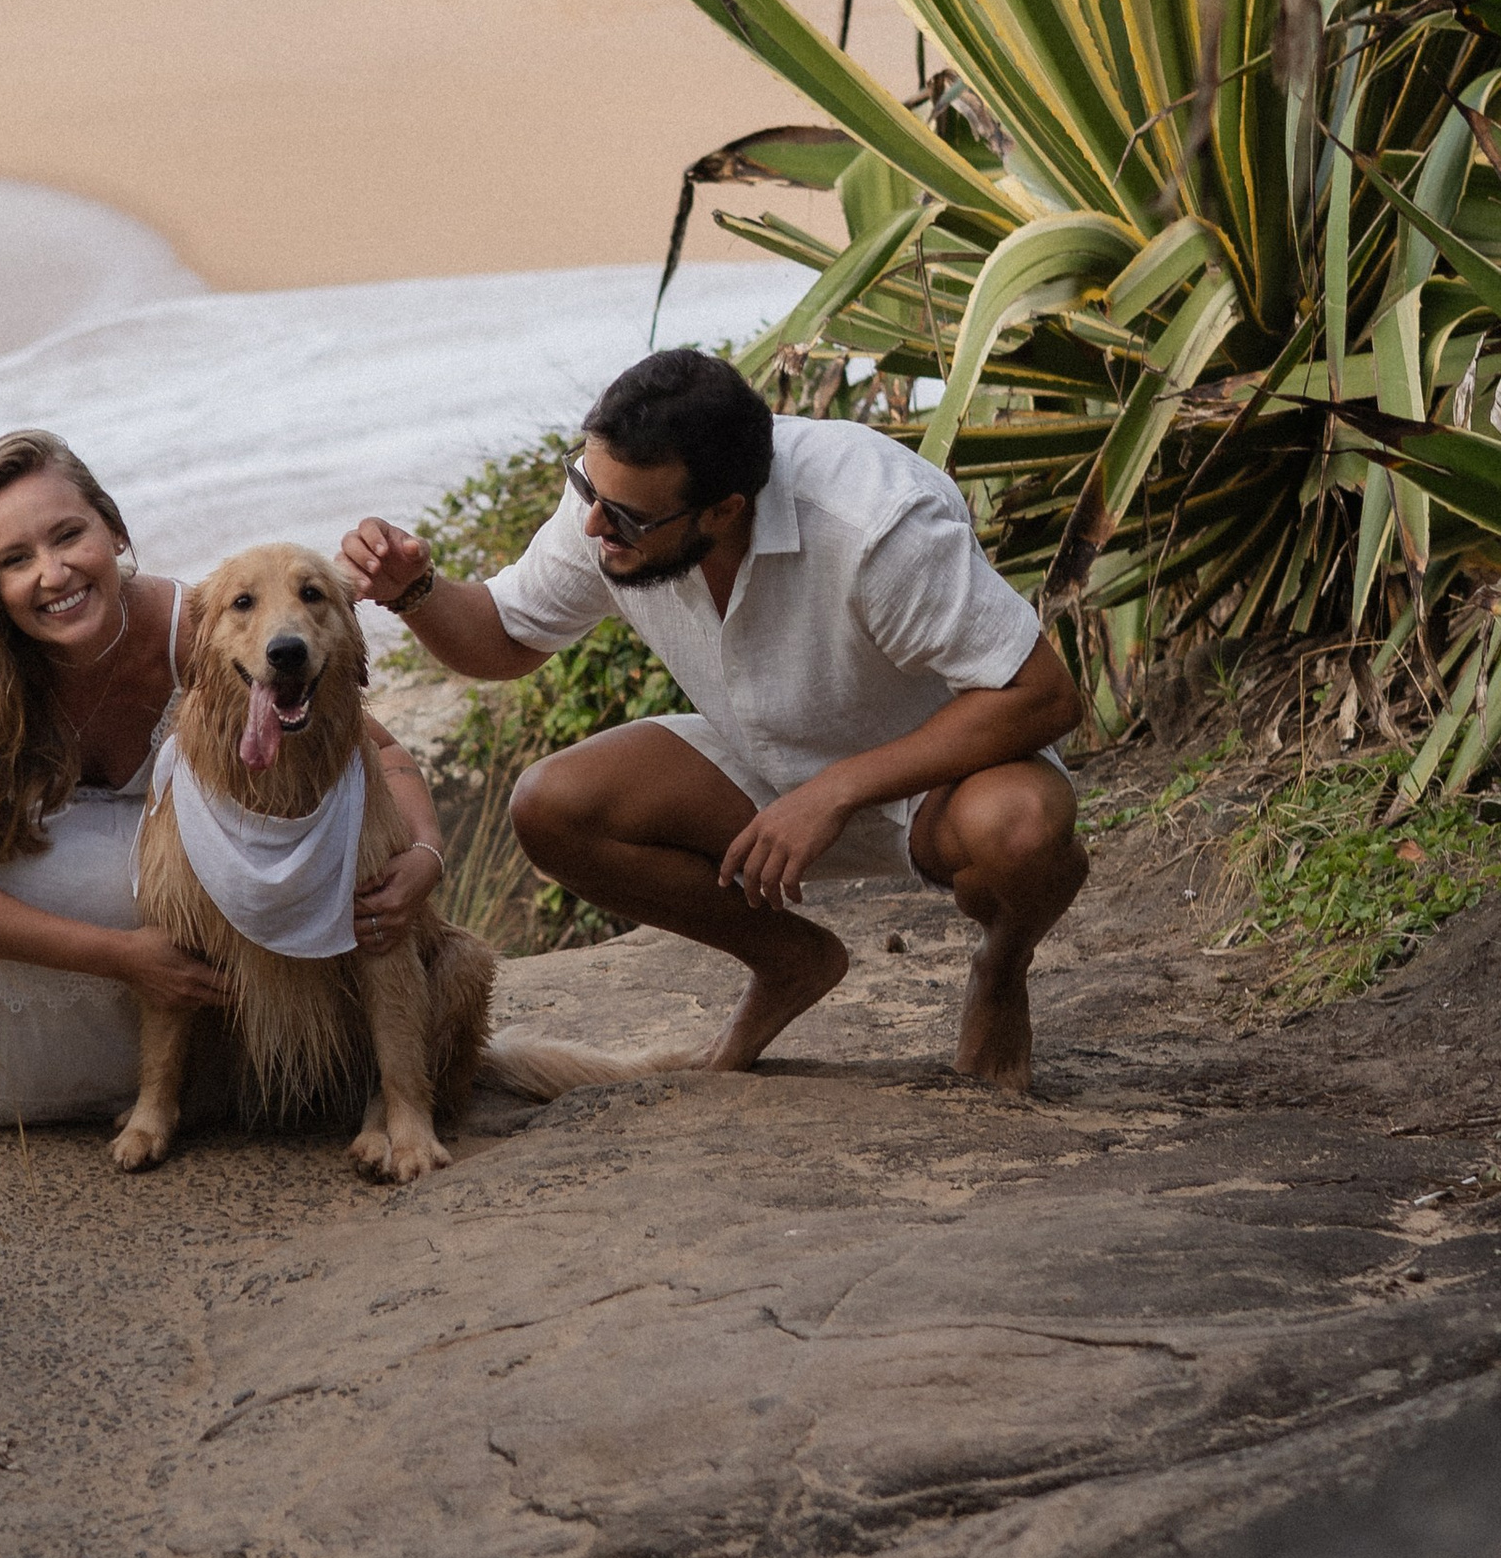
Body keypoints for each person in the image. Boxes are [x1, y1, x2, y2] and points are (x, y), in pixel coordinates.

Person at [341, 347, 1084, 1093]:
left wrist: (835, 792)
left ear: (725, 509)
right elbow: (505, 636)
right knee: (551, 806)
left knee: (1020, 829)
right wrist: (414, 591)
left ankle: (1001, 966)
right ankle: (790, 961)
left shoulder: (876, 522)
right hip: (761, 771)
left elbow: (1043, 696)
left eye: (625, 517)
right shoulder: (614, 504)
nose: (594, 523)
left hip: (943, 785)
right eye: (585, 488)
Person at [0, 428, 447, 1130]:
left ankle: (205, 1081)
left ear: (113, 530)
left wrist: (424, 855)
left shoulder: (205, 630)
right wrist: (124, 957)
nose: (52, 573)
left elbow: (379, 755)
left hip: (198, 998)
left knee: (162, 875)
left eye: (68, 536)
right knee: (125, 875)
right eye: (16, 560)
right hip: (38, 984)